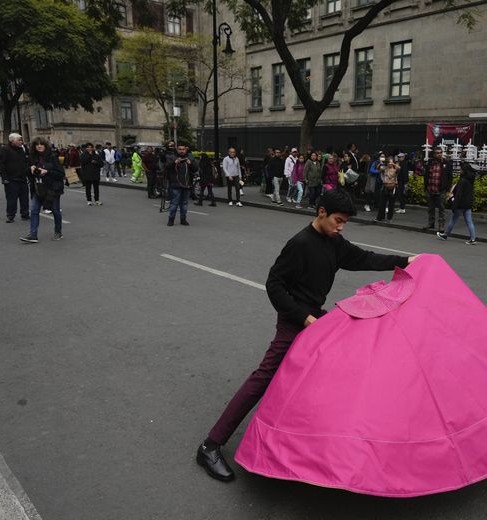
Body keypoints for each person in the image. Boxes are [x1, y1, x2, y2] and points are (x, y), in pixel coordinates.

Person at [195, 190, 417, 482]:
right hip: (294, 321)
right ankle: (210, 445)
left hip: (316, 318)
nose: (341, 227)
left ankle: (315, 443)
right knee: (262, 379)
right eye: (338, 220)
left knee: (344, 363)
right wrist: (303, 317)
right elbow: (274, 285)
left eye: (345, 223)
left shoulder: (334, 243)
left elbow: (366, 258)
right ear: (321, 212)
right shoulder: (299, 244)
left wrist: (408, 261)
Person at [19, 137, 65, 243]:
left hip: (52, 189)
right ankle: (33, 235)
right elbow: (25, 172)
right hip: (37, 188)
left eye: (41, 144)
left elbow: (61, 174)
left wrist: (47, 171)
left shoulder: (53, 157)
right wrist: (29, 170)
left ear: (45, 146)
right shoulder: (31, 158)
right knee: (34, 211)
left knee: (55, 211)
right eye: (37, 144)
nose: (39, 146)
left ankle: (58, 231)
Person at [436, 161, 478, 244]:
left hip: (460, 204)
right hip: (468, 204)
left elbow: (458, 195)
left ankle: (445, 235)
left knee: (453, 220)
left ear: (464, 171)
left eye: (461, 170)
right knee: (469, 221)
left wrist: (454, 205)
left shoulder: (462, 180)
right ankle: (473, 238)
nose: (460, 171)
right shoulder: (471, 179)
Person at [0, 133, 31, 223]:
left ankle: (25, 214)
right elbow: (1, 164)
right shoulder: (5, 149)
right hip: (11, 179)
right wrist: (4, 178)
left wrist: (27, 174)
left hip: (22, 178)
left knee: (24, 198)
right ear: (12, 141)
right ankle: (10, 216)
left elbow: (25, 163)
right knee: (11, 199)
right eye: (19, 140)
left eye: (21, 140)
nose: (21, 142)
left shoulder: (21, 150)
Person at [165, 142, 198, 226]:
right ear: (177, 149)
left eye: (183, 149)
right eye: (180, 149)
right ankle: (171, 219)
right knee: (174, 203)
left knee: (184, 203)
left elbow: (195, 169)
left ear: (185, 149)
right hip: (176, 184)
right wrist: (174, 162)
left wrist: (190, 163)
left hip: (187, 184)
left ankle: (183, 219)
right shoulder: (172, 157)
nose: (181, 151)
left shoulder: (190, 157)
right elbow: (167, 167)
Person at [422, 147, 453, 232]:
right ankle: (431, 223)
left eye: (440, 152)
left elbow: (450, 177)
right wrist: (425, 187)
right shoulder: (430, 163)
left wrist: (448, 188)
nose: (439, 154)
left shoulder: (446, 163)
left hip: (441, 190)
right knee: (430, 208)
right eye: (437, 153)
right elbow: (426, 175)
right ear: (434, 154)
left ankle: (441, 225)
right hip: (430, 189)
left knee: (441, 208)